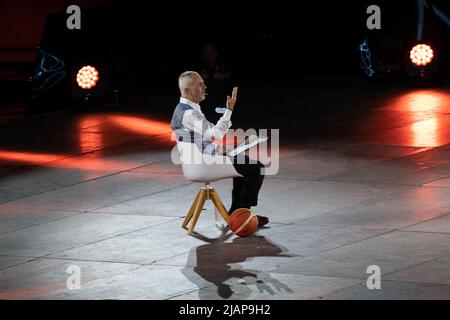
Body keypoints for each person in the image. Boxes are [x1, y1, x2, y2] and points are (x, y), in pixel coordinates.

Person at [171, 71, 269, 228]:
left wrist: (224, 150)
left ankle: (237, 212)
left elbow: (199, 142)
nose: (205, 86)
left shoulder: (184, 109)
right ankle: (241, 215)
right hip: (202, 166)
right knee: (257, 168)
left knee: (243, 163)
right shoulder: (189, 114)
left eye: (203, 83)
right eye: (200, 84)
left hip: (200, 161)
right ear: (188, 91)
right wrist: (229, 111)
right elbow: (215, 133)